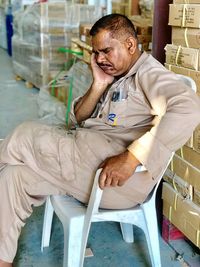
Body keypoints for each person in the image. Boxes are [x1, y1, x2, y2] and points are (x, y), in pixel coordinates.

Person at [0, 13, 200, 267]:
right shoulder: (114, 76)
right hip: (84, 164)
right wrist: (98, 85)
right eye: (96, 53)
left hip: (113, 180)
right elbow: (75, 120)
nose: (100, 59)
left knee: (24, 134)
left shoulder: (149, 74)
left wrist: (131, 157)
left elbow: (189, 108)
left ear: (129, 45)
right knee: (12, 178)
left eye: (106, 51)